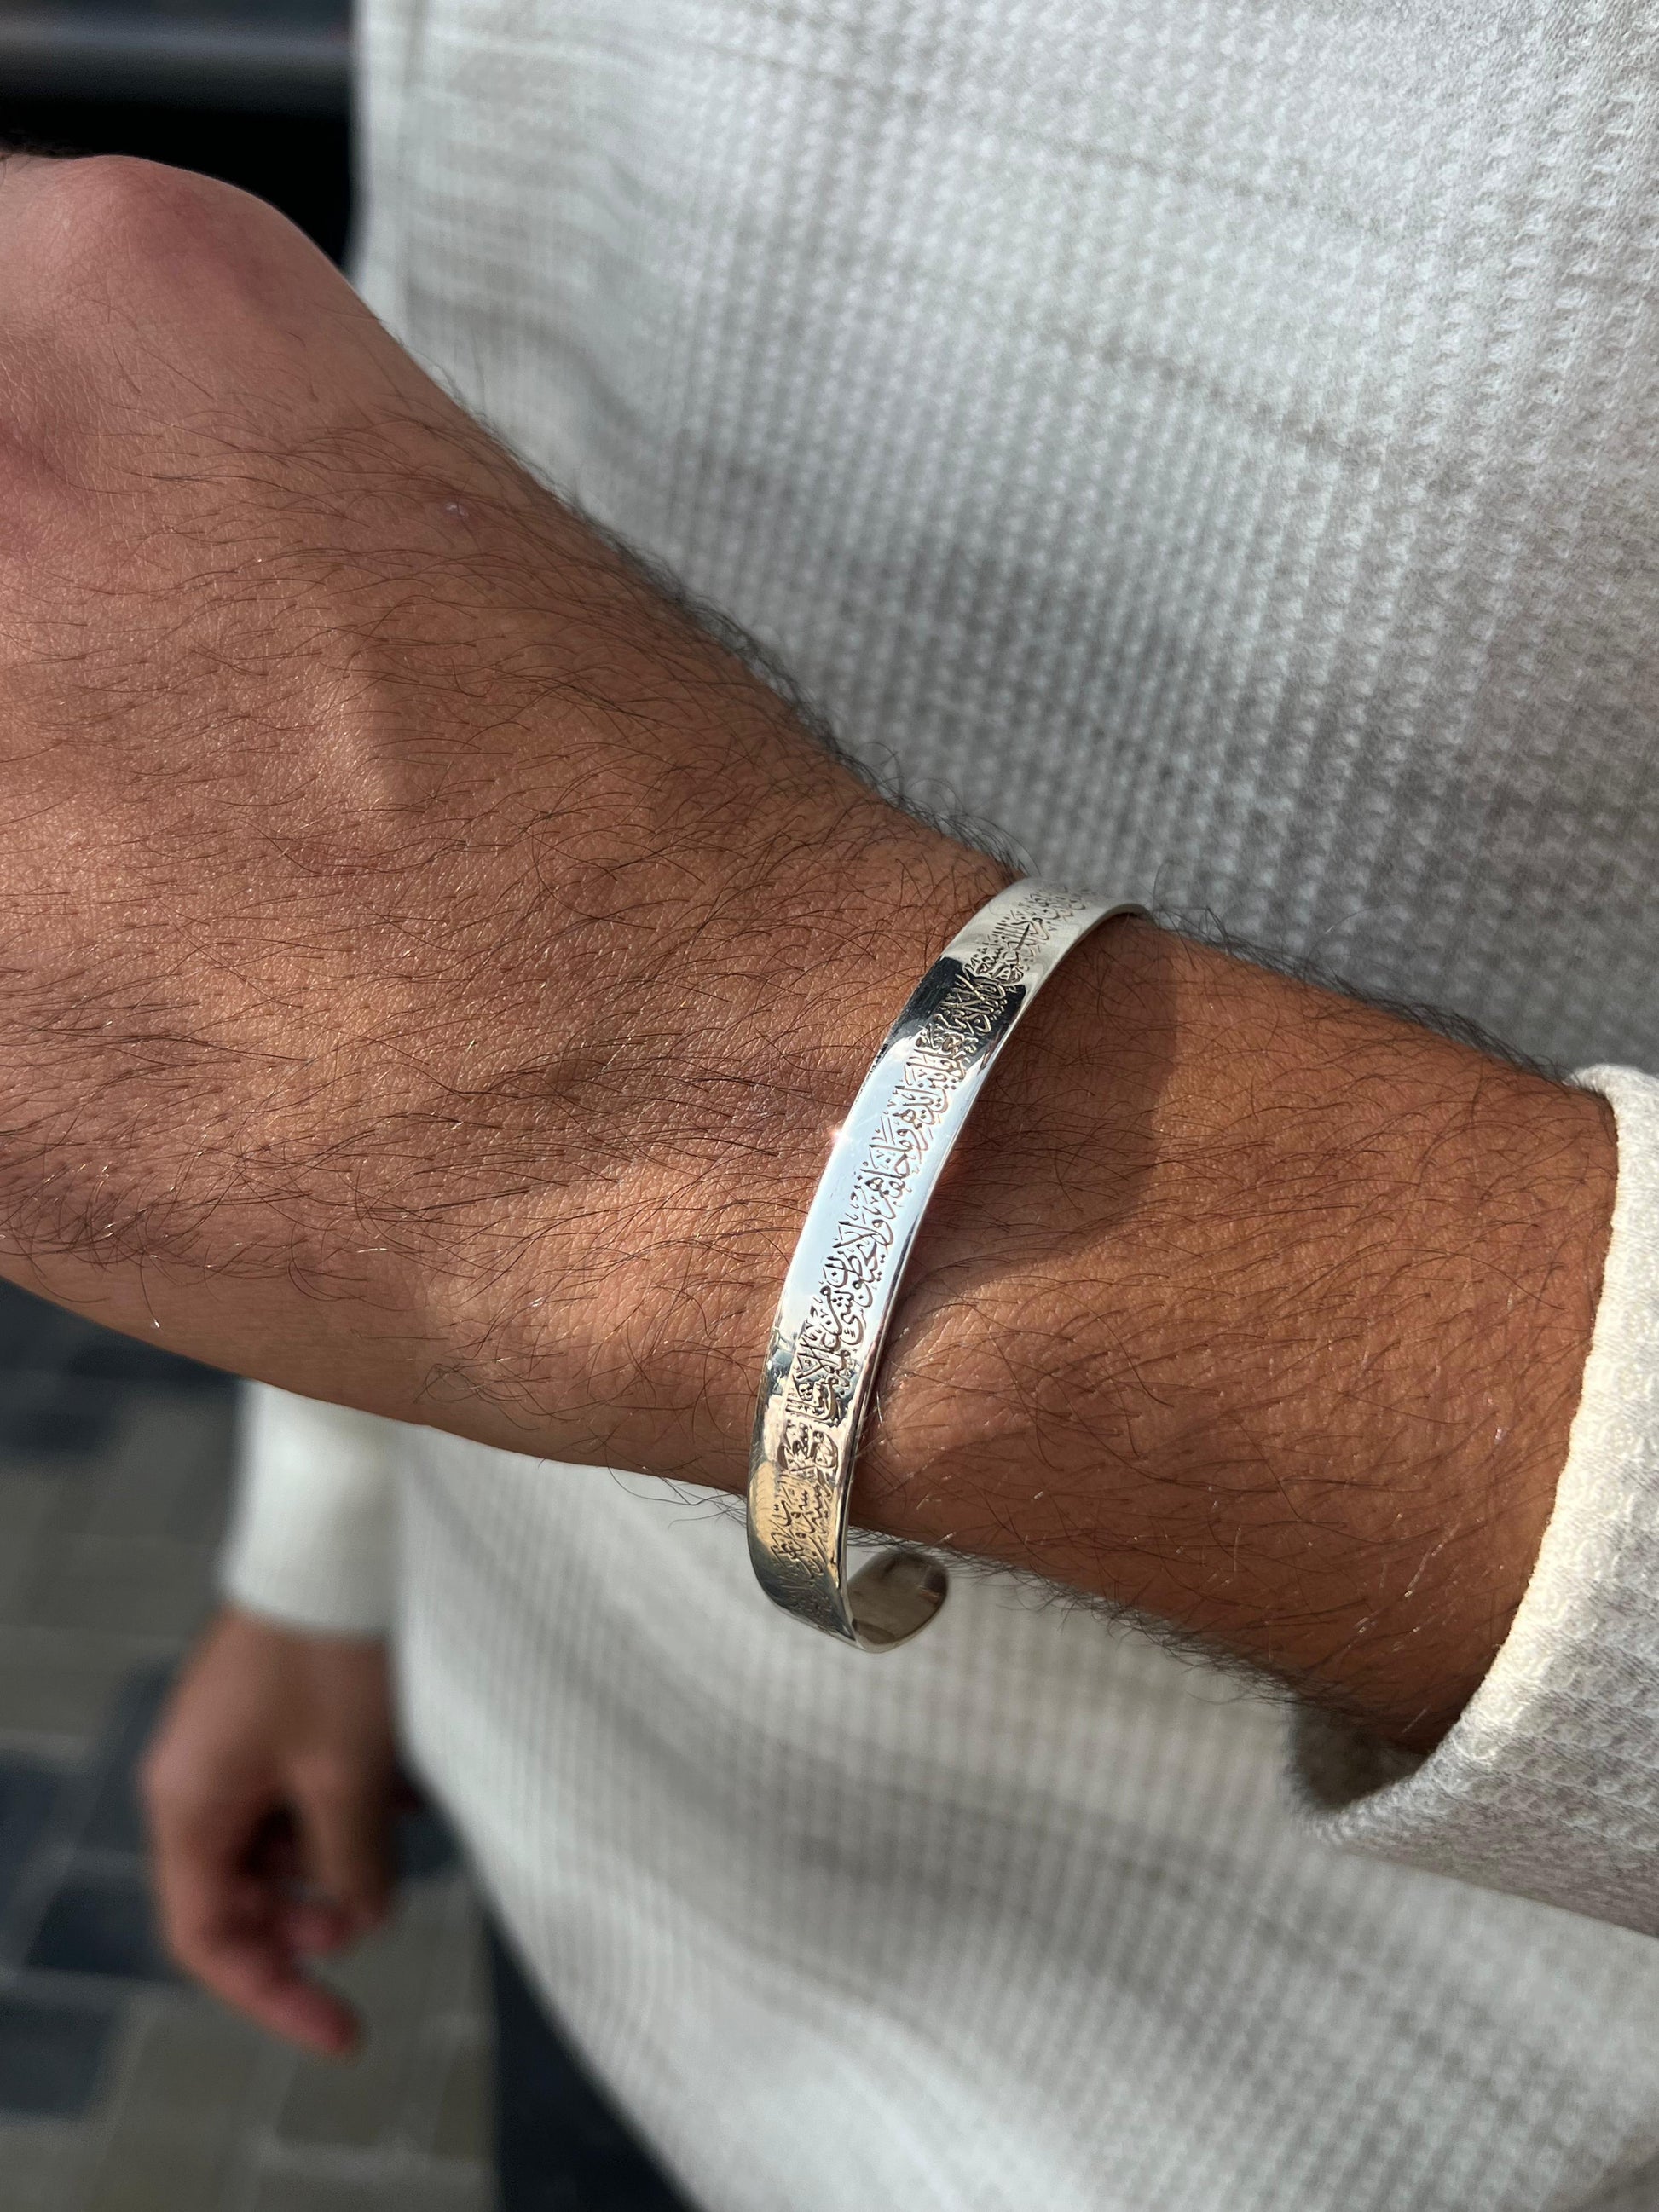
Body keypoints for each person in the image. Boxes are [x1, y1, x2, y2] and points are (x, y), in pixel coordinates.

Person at [0, 0, 1654, 2203]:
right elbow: (427, 502)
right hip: (580, 1840)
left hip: (1381, 2115)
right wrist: (324, 1546)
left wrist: (716, 1114)